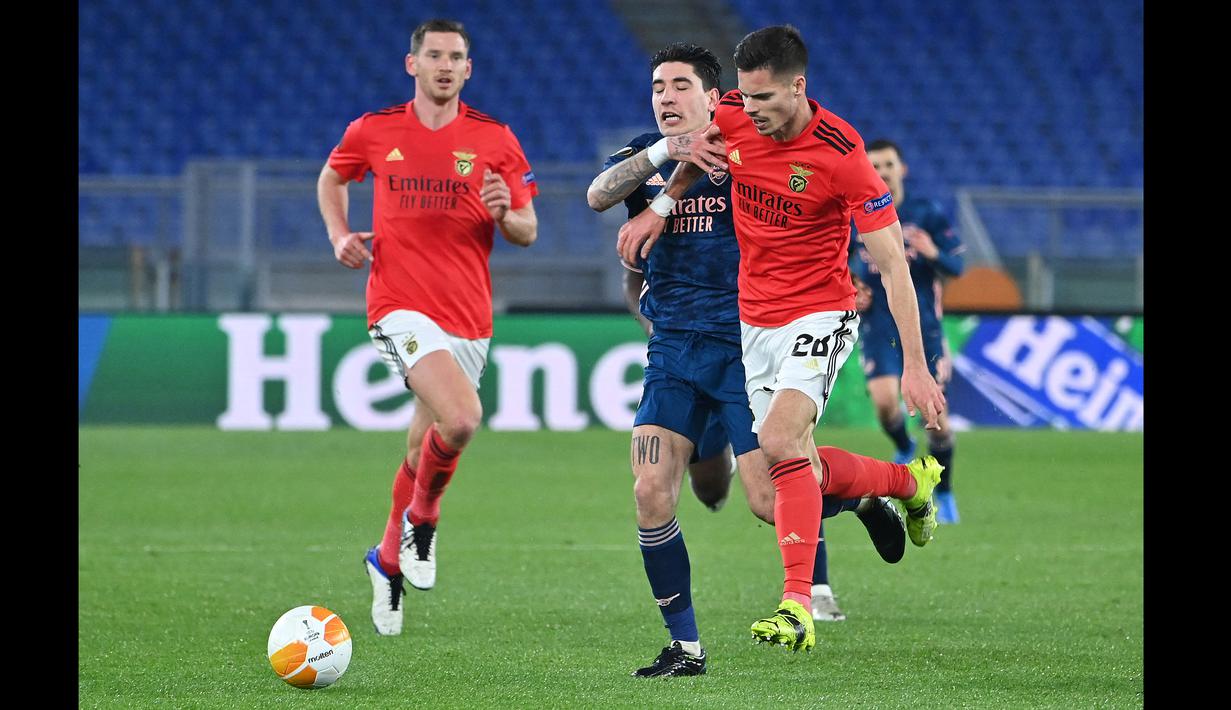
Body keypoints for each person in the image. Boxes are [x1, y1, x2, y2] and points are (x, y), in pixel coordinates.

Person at [589, 43, 940, 675]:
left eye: (679, 87)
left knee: (775, 480)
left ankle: (824, 566)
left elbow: (873, 251)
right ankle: (686, 647)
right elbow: (604, 192)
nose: (666, 98)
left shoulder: (800, 146)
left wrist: (905, 352)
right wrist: (664, 192)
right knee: (658, 489)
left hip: (779, 328)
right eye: (657, 87)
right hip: (689, 343)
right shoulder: (685, 141)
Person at [316, 18, 538, 636]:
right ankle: (424, 524)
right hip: (398, 304)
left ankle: (385, 559)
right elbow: (332, 178)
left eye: (457, 57)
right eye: (434, 55)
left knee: (424, 445)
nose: (445, 65)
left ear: (469, 69)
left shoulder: (495, 140)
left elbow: (527, 230)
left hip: (468, 316)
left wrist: (504, 213)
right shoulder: (374, 130)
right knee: (463, 418)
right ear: (411, 64)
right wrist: (339, 236)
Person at [852, 139, 966, 523]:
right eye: (875, 166)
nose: (882, 172)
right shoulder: (856, 212)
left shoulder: (925, 214)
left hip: (924, 330)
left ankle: (945, 490)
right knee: (885, 404)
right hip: (879, 325)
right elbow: (847, 266)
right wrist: (854, 288)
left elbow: (957, 268)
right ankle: (903, 446)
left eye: (888, 164)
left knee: (937, 419)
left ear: (902, 169)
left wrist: (933, 253)